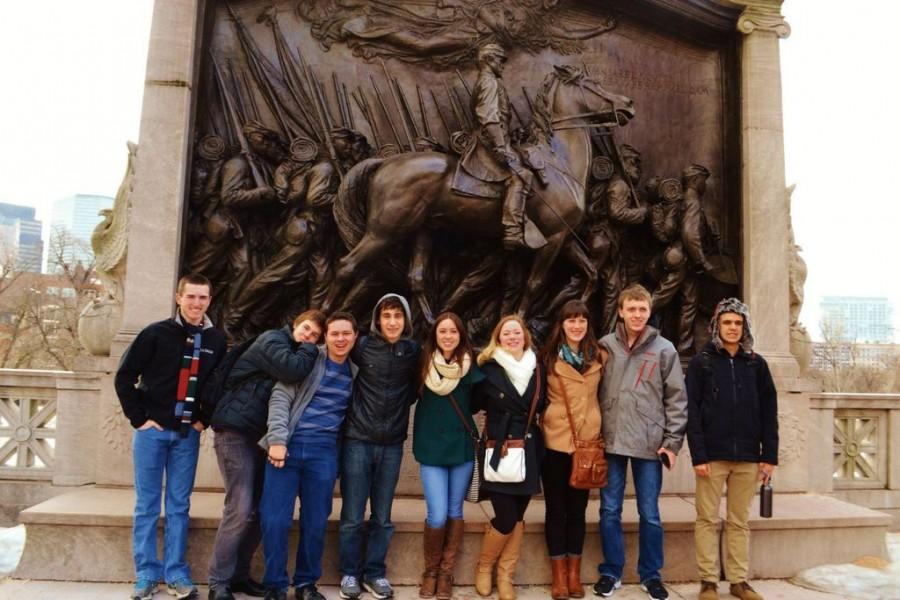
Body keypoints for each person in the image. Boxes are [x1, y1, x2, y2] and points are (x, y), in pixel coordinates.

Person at [115, 274, 228, 600]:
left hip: (186, 437)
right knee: (147, 506)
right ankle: (147, 575)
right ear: (178, 298)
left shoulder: (216, 340)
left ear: (209, 300)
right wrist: (139, 419)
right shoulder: (155, 333)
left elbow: (217, 385)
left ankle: (177, 574)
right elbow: (124, 377)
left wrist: (202, 420)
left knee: (179, 506)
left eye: (202, 298)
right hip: (153, 434)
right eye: (190, 297)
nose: (196, 303)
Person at [207, 310, 326, 600]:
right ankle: (217, 582)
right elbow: (292, 370)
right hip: (235, 433)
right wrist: (312, 348)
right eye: (306, 330)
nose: (308, 337)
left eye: (314, 336)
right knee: (240, 507)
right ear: (295, 323)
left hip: (261, 438)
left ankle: (238, 575)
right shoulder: (273, 340)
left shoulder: (295, 350)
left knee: (262, 508)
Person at [593, 284, 686, 600]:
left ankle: (651, 574)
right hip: (611, 440)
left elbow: (676, 399)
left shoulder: (665, 349)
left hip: (650, 444)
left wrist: (672, 444)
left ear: (649, 312)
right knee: (609, 510)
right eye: (630, 309)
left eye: (642, 309)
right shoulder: (605, 346)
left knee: (650, 512)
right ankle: (611, 571)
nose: (636, 314)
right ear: (621, 311)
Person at [258, 312, 360, 600]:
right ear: (325, 336)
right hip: (286, 449)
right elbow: (280, 397)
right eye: (334, 334)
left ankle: (306, 584)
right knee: (274, 519)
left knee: (315, 521)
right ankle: (275, 585)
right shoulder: (309, 360)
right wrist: (277, 439)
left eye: (346, 334)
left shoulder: (355, 372)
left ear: (355, 337)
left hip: (324, 454)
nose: (340, 339)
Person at [686, 298, 778, 600]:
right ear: (717, 325)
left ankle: (739, 581)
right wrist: (698, 455)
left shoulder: (756, 364)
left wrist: (769, 457)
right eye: (727, 322)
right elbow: (692, 413)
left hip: (749, 458)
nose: (733, 328)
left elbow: (769, 412)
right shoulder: (702, 363)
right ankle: (708, 582)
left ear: (745, 326)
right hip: (712, 457)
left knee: (739, 521)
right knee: (707, 520)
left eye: (738, 323)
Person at [339, 294, 421, 600]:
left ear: (406, 320)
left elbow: (415, 388)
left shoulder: (412, 350)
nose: (392, 322)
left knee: (383, 516)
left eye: (398, 316)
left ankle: (374, 573)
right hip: (358, 440)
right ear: (377, 319)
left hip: (392, 444)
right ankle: (349, 572)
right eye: (386, 315)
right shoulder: (360, 346)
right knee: (352, 514)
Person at [471, 315, 547, 600]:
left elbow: (546, 404)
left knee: (518, 516)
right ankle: (484, 566)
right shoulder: (487, 369)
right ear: (498, 338)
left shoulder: (538, 369)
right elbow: (473, 403)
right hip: (500, 449)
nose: (513, 337)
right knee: (505, 516)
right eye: (507, 333)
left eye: (517, 332)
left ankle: (506, 576)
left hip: (528, 449)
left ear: (525, 336)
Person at [412, 312, 485, 600]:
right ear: (435, 335)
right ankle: (430, 571)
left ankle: (445, 573)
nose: (448, 336)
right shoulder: (421, 364)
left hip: (460, 449)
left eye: (453, 331)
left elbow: (479, 402)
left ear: (460, 335)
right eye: (443, 331)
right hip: (430, 448)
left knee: (455, 511)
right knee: (437, 513)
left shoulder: (471, 366)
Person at [537, 300, 603, 600]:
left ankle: (575, 574)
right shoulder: (548, 358)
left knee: (578, 511)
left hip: (587, 445)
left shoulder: (599, 356)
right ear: (561, 324)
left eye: (582, 320)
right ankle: (558, 576)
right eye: (571, 320)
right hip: (556, 442)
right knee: (556, 510)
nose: (576, 326)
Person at [471, 43, 539, 250]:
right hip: (489, 143)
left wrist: (510, 135)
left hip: (497, 139)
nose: (503, 65)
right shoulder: (489, 82)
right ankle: (512, 230)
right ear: (489, 60)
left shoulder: (491, 81)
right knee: (521, 175)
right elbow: (489, 119)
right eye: (500, 60)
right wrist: (502, 147)